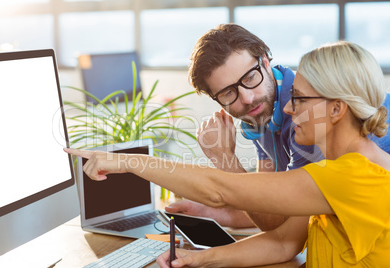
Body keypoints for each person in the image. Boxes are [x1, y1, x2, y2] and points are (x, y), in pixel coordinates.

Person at [65, 41, 390, 267]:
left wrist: (128, 162)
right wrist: (200, 259)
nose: (289, 109)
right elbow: (283, 242)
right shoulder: (337, 168)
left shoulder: (353, 176)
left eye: (300, 99)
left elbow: (221, 190)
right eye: (229, 93)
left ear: (336, 109)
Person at [165, 23, 390, 231]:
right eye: (228, 92)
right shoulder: (260, 114)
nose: (247, 98)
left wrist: (224, 158)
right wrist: (213, 213)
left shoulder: (308, 117)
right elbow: (269, 205)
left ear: (265, 61)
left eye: (250, 77)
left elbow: (281, 222)